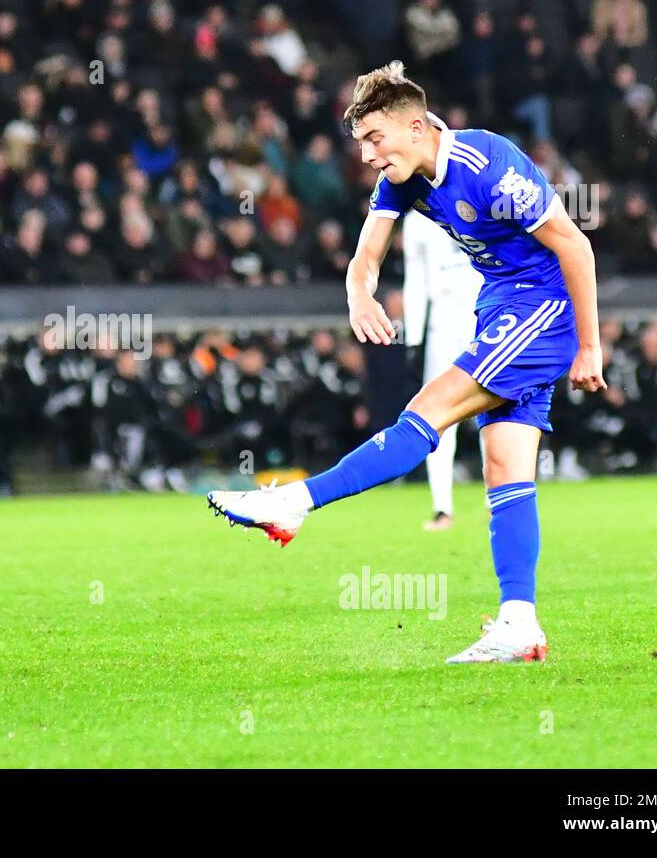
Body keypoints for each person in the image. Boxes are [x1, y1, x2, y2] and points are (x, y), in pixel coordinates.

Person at [208, 61, 606, 664]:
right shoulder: (403, 176)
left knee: (428, 410)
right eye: (361, 143)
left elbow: (576, 244)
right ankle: (520, 622)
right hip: (501, 303)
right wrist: (359, 293)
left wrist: (591, 345)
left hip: (543, 305)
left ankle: (294, 501)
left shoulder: (489, 166)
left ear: (415, 126)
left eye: (374, 138)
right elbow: (365, 255)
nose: (367, 155)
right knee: (504, 468)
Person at [402, 208, 482, 530]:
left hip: (484, 318)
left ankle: (499, 501)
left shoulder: (478, 195)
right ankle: (442, 507)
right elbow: (416, 280)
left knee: (493, 411)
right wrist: (414, 337)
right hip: (444, 326)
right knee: (438, 416)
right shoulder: (417, 220)